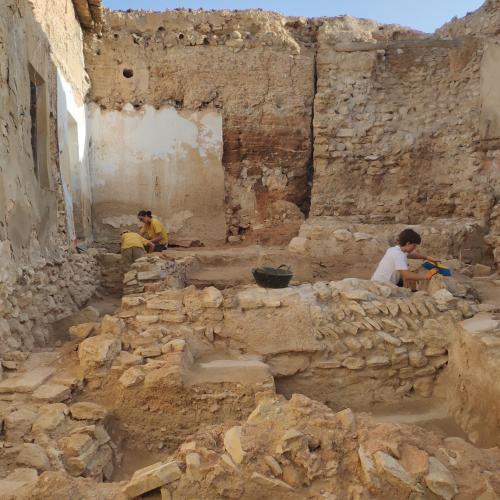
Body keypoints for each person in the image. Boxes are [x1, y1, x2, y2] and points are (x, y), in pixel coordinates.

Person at [371, 228, 438, 288]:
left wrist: (426, 257)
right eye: (414, 245)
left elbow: (410, 255)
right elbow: (406, 275)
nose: (415, 247)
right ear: (408, 243)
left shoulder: (395, 249)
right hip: (381, 286)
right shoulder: (398, 254)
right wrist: (426, 276)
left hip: (376, 281)